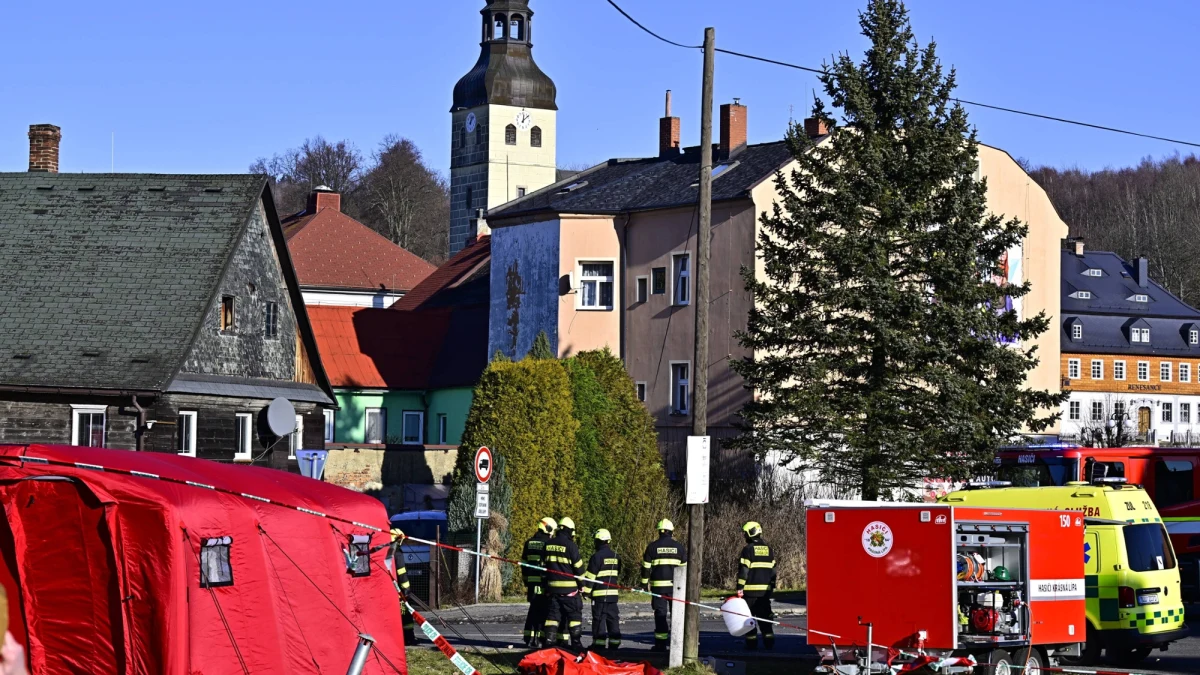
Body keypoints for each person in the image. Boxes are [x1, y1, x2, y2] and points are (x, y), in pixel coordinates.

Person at [641, 519, 686, 652]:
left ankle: (660, 645)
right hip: (676, 588)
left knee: (660, 615)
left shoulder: (652, 547)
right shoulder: (679, 547)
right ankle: (677, 644)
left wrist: (644, 584)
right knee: (676, 615)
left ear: (659, 532)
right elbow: (684, 569)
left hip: (658, 588)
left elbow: (645, 568)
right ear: (671, 531)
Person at [541, 516, 584, 648]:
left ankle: (549, 644)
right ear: (570, 531)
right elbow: (579, 570)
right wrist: (582, 586)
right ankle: (576, 643)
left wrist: (545, 587)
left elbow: (542, 568)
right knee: (574, 616)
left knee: (552, 617)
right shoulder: (571, 546)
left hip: (552, 590)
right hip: (569, 591)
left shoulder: (547, 544)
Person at [736, 521, 777, 650]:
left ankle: (751, 644)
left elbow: (744, 571)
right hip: (765, 593)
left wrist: (739, 588)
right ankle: (769, 643)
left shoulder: (747, 549)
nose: (744, 536)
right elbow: (773, 571)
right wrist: (771, 587)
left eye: (745, 533)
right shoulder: (769, 549)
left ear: (750, 533)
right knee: (765, 619)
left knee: (749, 620)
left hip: (749, 592)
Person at [582, 528, 622, 651]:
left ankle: (599, 644)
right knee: (613, 619)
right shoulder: (617, 556)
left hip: (599, 596)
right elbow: (617, 573)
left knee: (599, 619)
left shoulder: (596, 557)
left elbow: (590, 577)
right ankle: (615, 643)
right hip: (613, 595)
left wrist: (586, 591)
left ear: (598, 541)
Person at [521, 517, 557, 647]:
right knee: (543, 611)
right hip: (543, 583)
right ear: (548, 528)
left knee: (533, 609)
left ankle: (529, 637)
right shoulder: (548, 543)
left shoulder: (528, 543)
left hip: (531, 583)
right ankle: (540, 638)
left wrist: (526, 581)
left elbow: (523, 564)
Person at [390, 527, 416, 645]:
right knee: (406, 615)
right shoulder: (397, 552)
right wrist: (406, 589)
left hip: (389, 589)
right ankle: (409, 638)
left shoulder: (385, 550)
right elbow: (401, 571)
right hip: (399, 591)